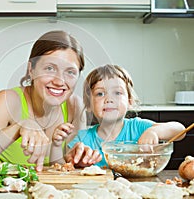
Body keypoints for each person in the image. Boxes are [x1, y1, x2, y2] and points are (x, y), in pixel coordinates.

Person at [0, 30, 87, 171]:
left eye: (70, 72)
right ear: (32, 69)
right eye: (49, 68)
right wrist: (17, 127)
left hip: (52, 191)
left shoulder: (75, 106)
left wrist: (78, 159)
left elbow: (69, 165)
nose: (59, 81)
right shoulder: (8, 100)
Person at [51, 64, 186, 167]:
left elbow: (180, 130)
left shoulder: (138, 127)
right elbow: (61, 166)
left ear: (130, 101)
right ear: (89, 105)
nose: (109, 99)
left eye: (117, 93)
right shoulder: (83, 138)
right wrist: (57, 146)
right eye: (100, 94)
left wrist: (154, 131)